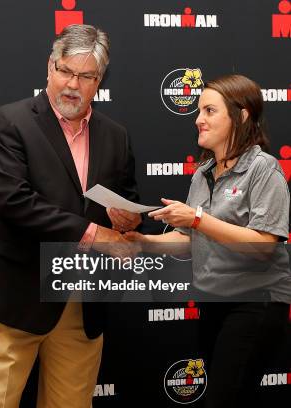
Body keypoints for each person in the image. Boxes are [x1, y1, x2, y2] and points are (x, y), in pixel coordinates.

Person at [0, 24, 141, 408]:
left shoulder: (116, 135)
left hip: (82, 304)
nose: (72, 85)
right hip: (16, 294)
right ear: (49, 66)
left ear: (100, 80)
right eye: (65, 71)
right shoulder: (9, 122)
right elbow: (13, 201)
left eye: (85, 76)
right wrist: (95, 234)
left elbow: (127, 196)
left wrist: (128, 218)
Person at [126, 74, 291, 407]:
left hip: (256, 302)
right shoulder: (202, 173)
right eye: (198, 110)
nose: (198, 119)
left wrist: (198, 219)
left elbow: (263, 245)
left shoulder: (264, 169)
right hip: (214, 301)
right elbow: (190, 240)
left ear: (241, 115)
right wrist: (142, 242)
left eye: (209, 111)